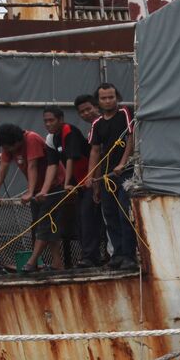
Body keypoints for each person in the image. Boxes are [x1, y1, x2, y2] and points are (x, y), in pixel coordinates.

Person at [85, 82, 138, 270]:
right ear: (98, 101)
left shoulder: (125, 113)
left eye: (111, 97)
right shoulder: (97, 124)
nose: (108, 101)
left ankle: (129, 254)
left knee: (124, 212)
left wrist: (123, 162)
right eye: (104, 98)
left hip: (126, 172)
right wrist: (91, 177)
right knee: (110, 213)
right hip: (107, 175)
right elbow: (95, 151)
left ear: (117, 98)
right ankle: (118, 253)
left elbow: (130, 138)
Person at [0, 122, 53, 272]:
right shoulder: (8, 147)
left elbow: (33, 166)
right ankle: (50, 262)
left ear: (17, 141)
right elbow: (2, 168)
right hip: (37, 190)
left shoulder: (31, 139)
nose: (7, 151)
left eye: (8, 148)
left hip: (51, 187)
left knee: (45, 225)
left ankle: (32, 263)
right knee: (37, 225)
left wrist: (30, 192)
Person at [41, 105, 89, 268]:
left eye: (51, 120)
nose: (48, 124)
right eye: (45, 121)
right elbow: (52, 165)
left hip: (87, 180)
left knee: (88, 218)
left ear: (61, 120)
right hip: (75, 184)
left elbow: (71, 158)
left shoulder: (69, 131)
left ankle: (92, 256)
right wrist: (44, 191)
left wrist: (68, 182)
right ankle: (84, 256)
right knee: (78, 220)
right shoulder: (51, 138)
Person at [72, 94, 106, 267]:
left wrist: (93, 180)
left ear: (96, 107)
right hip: (97, 179)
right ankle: (97, 255)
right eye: (81, 112)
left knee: (93, 216)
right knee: (93, 217)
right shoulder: (93, 128)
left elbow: (98, 154)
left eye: (88, 109)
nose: (86, 114)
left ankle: (93, 255)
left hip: (106, 177)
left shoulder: (102, 123)